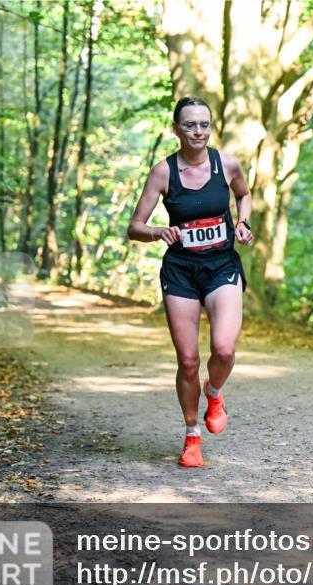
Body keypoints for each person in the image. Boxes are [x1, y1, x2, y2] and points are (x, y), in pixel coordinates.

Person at [127, 97, 254, 467]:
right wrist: (157, 233)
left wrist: (243, 223)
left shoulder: (227, 164)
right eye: (190, 125)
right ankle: (192, 435)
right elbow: (134, 226)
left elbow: (244, 195)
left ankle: (214, 393)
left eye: (204, 125)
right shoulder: (163, 173)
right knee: (187, 361)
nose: (198, 132)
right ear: (176, 129)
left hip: (221, 266)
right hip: (181, 270)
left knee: (224, 349)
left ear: (210, 128)